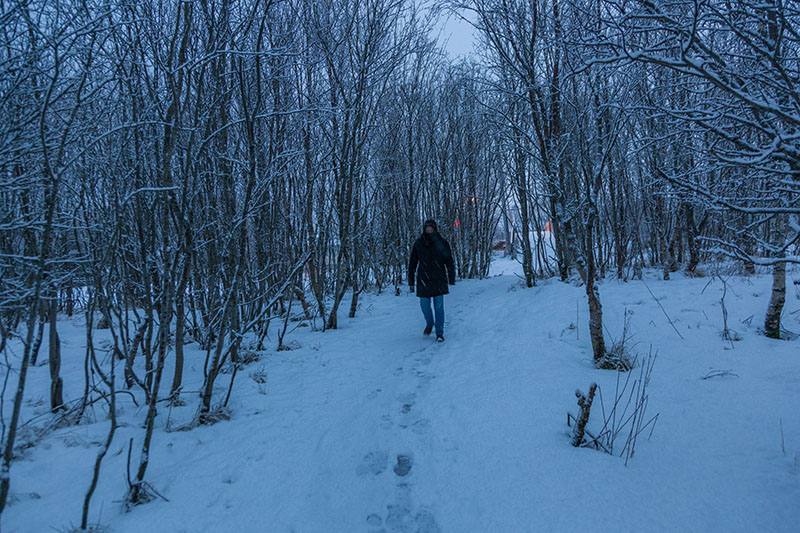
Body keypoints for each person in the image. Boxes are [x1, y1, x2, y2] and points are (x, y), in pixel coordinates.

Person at [408, 219, 456, 342]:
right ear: (424, 229)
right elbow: (413, 262)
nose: (429, 231)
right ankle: (430, 323)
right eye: (427, 229)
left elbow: (449, 261)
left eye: (431, 229)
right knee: (424, 305)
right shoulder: (419, 243)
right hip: (423, 279)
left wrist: (451, 278)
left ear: (435, 229)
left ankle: (439, 333)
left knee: (439, 307)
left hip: (438, 278)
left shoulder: (442, 242)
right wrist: (410, 280)